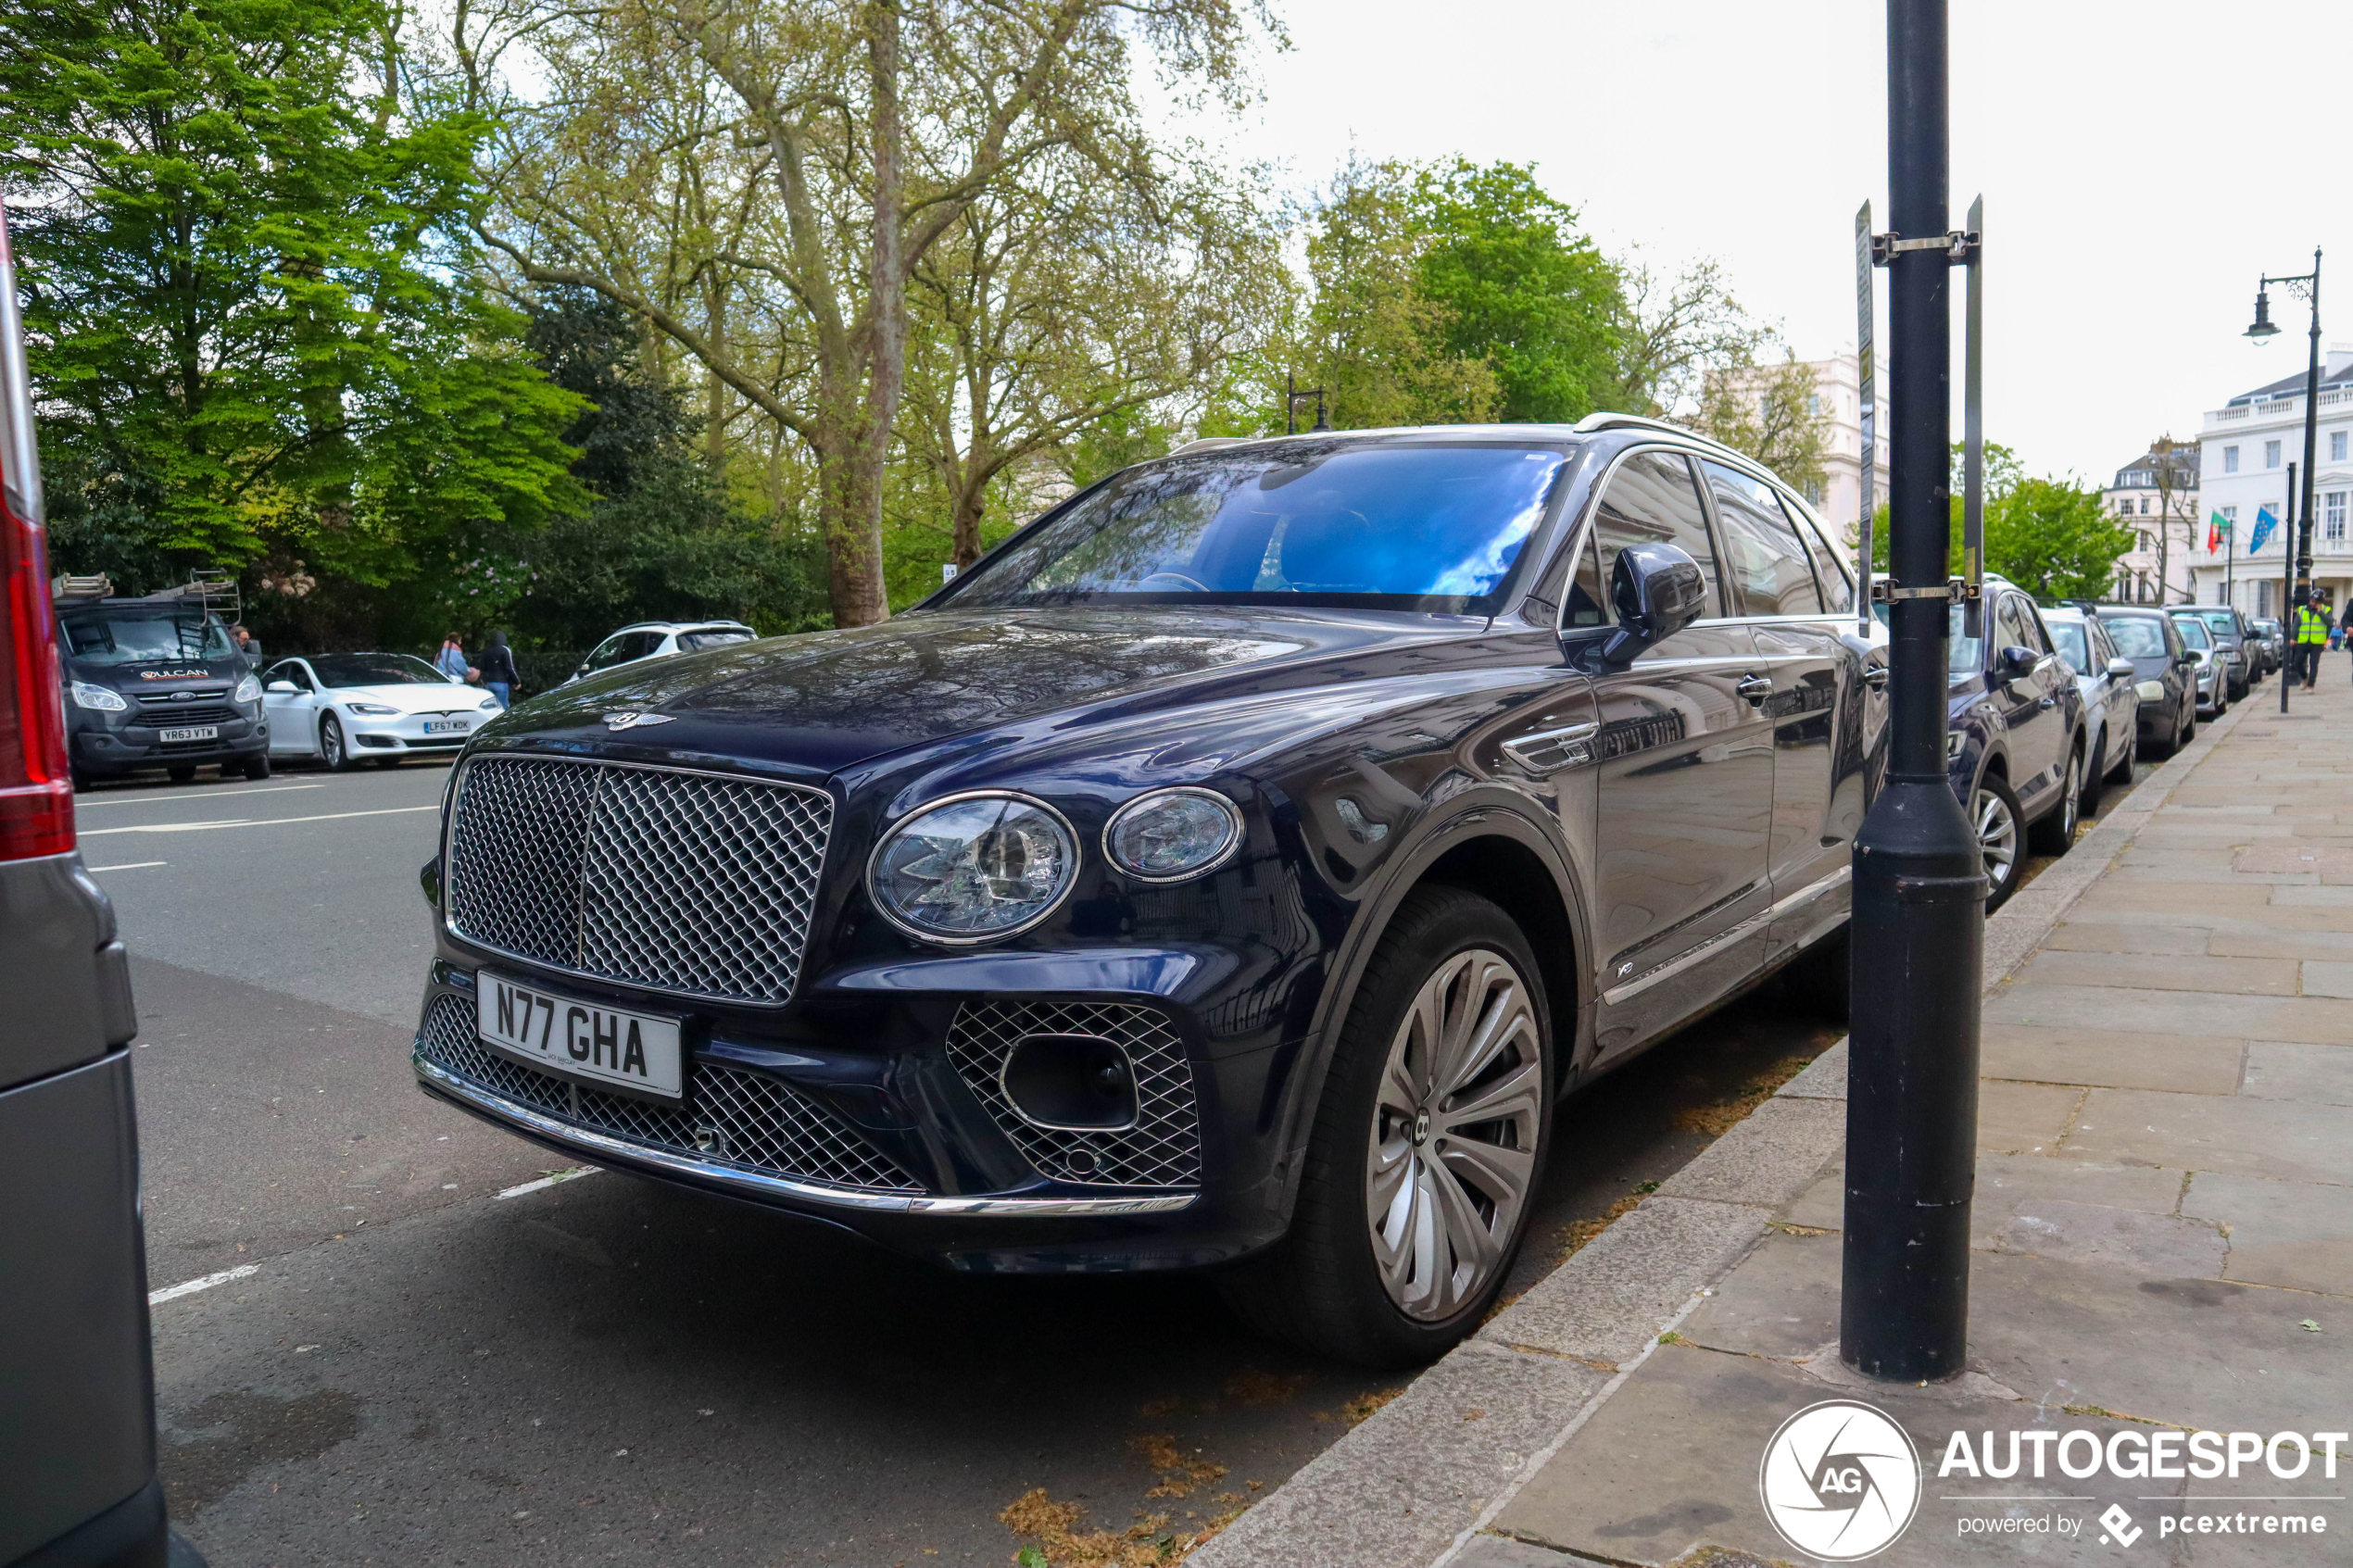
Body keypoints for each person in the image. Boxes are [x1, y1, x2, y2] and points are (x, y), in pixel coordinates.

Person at [2294, 596, 2331, 688]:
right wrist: (2293, 637)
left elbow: (2330, 622)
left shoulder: (2326, 610)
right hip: (2303, 640)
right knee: (2297, 661)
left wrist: (2320, 613)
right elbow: (2296, 625)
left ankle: (2311, 685)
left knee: (2314, 663)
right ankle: (2304, 677)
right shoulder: (2302, 610)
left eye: (2316, 602)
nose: (2313, 603)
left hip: (2317, 642)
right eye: (2312, 601)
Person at [476, 630, 518, 709]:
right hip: (501, 682)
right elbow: (510, 668)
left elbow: (482, 667)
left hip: (488, 683)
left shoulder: (486, 650)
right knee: (502, 708)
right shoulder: (505, 650)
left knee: (490, 708)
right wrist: (516, 681)